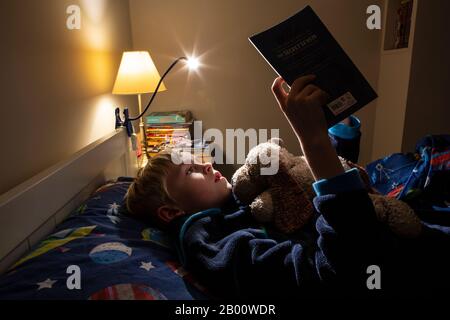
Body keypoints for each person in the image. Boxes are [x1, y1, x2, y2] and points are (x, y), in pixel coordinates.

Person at [125, 75, 450, 298]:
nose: (206, 164)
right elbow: (337, 274)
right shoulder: (218, 248)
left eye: (197, 159)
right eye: (190, 171)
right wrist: (314, 141)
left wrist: (335, 135)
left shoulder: (238, 200)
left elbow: (303, 183)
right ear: (171, 210)